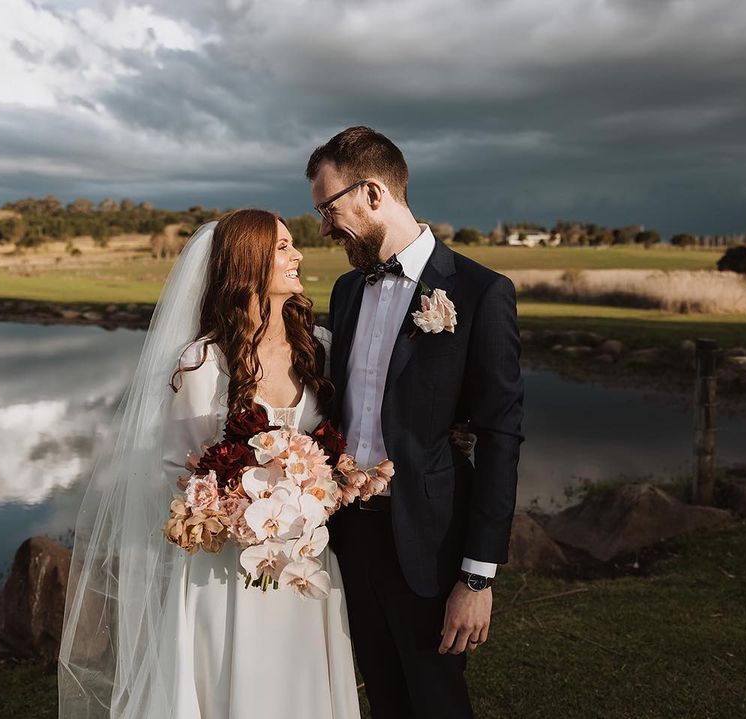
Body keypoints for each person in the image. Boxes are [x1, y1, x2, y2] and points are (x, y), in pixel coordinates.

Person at [58, 209, 360, 718]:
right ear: (248, 262)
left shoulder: (319, 347)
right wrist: (241, 508)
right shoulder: (203, 362)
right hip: (225, 568)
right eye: (283, 247)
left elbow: (333, 447)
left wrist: (313, 493)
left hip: (306, 556)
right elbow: (179, 470)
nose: (298, 255)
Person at [309, 126, 525, 719]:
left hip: (428, 543)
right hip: (349, 536)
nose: (324, 229)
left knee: (437, 701)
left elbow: (501, 436)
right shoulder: (347, 290)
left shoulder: (480, 293)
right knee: (383, 697)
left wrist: (477, 578)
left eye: (328, 209)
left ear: (373, 192)